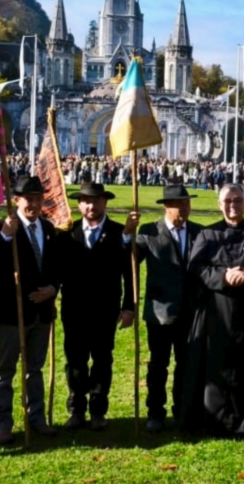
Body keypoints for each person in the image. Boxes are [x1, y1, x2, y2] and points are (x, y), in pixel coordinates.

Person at [183, 184, 244, 445]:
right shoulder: (208, 234)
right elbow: (196, 268)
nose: (232, 205)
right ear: (219, 204)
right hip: (217, 309)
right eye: (227, 200)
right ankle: (217, 420)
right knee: (217, 364)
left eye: (238, 200)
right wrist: (223, 276)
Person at [0, 176, 61, 444]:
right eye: (28, 199)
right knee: (6, 369)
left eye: (38, 198)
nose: (34, 204)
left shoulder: (49, 229)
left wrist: (54, 288)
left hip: (42, 313)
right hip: (12, 312)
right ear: (17, 200)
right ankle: (3, 423)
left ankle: (37, 418)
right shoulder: (2, 227)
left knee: (35, 368)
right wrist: (6, 236)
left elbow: (56, 267)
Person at [58, 182, 136, 431]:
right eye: (86, 201)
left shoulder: (119, 232)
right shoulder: (66, 233)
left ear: (105, 202)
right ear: (79, 204)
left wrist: (129, 307)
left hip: (106, 309)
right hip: (74, 309)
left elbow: (130, 272)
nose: (91, 206)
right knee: (75, 362)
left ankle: (98, 411)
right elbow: (55, 269)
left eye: (97, 200)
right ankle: (77, 409)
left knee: (102, 361)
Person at [136, 183, 202, 433]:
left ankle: (183, 410)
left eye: (187, 203)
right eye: (179, 205)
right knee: (158, 365)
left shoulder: (199, 232)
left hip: (191, 312)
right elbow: (130, 259)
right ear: (167, 207)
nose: (184, 209)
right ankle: (155, 412)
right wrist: (128, 236)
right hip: (160, 312)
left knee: (186, 365)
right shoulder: (150, 231)